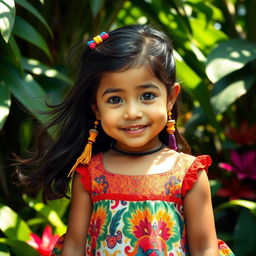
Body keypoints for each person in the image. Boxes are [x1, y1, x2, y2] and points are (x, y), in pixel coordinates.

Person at [16, 25, 235, 256]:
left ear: (170, 98)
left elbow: (205, 248)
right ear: (96, 108)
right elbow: (74, 247)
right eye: (115, 99)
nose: (132, 112)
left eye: (147, 96)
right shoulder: (90, 174)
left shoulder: (188, 175)